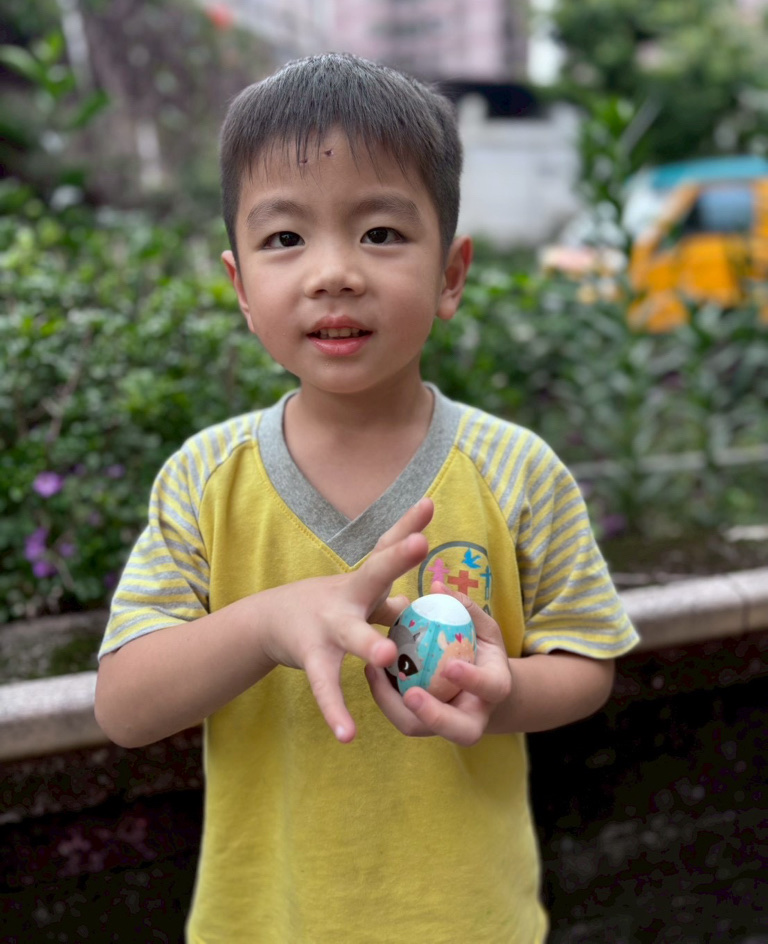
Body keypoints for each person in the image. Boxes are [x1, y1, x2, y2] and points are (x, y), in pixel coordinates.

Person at [95, 53, 639, 944]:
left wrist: (500, 692)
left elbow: (587, 660)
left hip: (467, 922)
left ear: (451, 274)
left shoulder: (517, 471)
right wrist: (268, 623)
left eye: (381, 233)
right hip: (264, 925)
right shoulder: (205, 480)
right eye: (285, 239)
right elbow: (124, 707)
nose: (334, 272)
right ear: (241, 288)